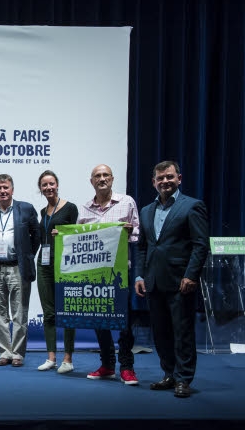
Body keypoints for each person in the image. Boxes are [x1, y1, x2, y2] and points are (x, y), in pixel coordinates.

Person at [135, 160, 209, 398]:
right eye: (160, 178)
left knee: (182, 331)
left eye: (169, 177)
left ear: (179, 178)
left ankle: (184, 379)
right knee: (161, 332)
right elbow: (143, 247)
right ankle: (169, 374)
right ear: (153, 182)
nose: (165, 181)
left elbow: (200, 245)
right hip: (154, 282)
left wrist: (191, 275)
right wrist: (140, 275)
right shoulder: (146, 210)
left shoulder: (192, 206)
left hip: (180, 282)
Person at [77, 164, 141, 385]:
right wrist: (62, 236)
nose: (101, 178)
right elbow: (78, 239)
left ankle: (127, 366)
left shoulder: (127, 202)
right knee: (99, 320)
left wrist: (130, 230)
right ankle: (107, 365)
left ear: (112, 179)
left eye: (105, 175)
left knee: (124, 321)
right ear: (91, 181)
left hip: (120, 272)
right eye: (97, 176)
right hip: (95, 274)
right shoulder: (85, 208)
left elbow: (139, 235)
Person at [0, 174, 40, 368]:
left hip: (18, 267)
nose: (2, 191)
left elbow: (36, 237)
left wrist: (25, 256)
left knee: (19, 314)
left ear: (12, 189)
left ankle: (17, 354)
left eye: (5, 187)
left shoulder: (26, 208)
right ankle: (4, 352)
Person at [34, 170, 78, 373]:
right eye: (44, 185)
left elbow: (77, 234)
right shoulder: (43, 212)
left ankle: (67, 359)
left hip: (65, 263)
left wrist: (64, 232)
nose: (48, 187)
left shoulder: (70, 208)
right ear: (40, 188)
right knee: (48, 312)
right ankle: (51, 357)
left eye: (51, 183)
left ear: (57, 185)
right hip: (43, 264)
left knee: (67, 310)